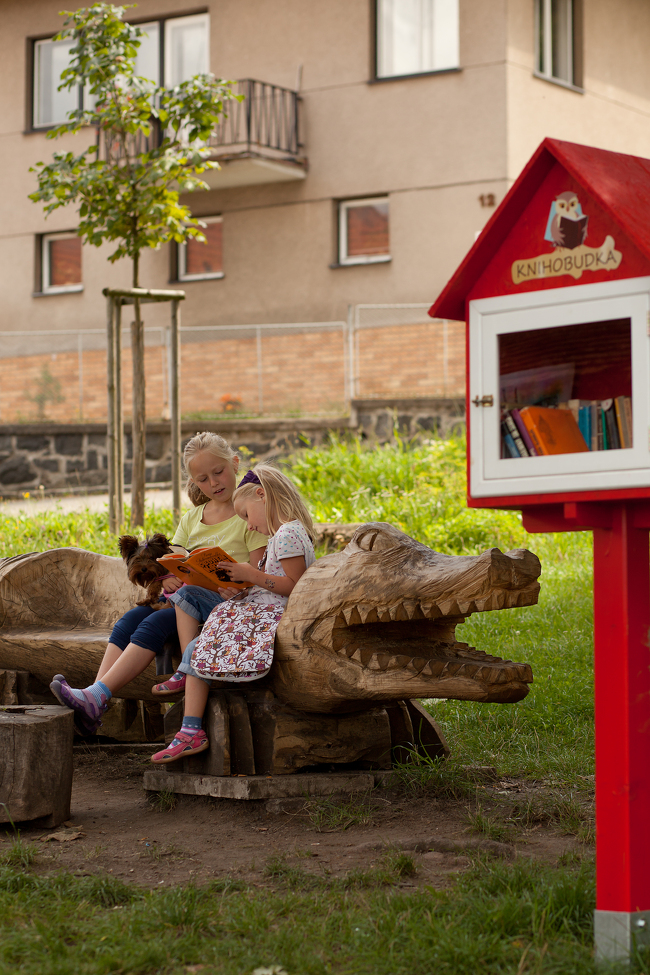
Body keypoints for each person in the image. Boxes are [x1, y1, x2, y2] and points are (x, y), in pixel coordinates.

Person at [50, 433, 267, 734]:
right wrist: (169, 579)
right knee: (130, 620)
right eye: (203, 479)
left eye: (218, 472)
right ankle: (95, 698)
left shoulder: (249, 515)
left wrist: (235, 585)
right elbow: (171, 562)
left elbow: (258, 570)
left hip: (222, 607)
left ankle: (95, 697)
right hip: (183, 603)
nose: (214, 483)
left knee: (152, 625)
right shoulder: (193, 518)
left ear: (235, 463)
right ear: (193, 481)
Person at [150, 463, 315, 763]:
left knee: (203, 644)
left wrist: (250, 575)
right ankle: (189, 725)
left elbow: (295, 587)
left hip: (269, 621)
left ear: (262, 496)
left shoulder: (288, 535)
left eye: (247, 516)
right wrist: (242, 587)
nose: (249, 526)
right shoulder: (286, 534)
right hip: (259, 611)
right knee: (202, 627)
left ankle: (190, 730)